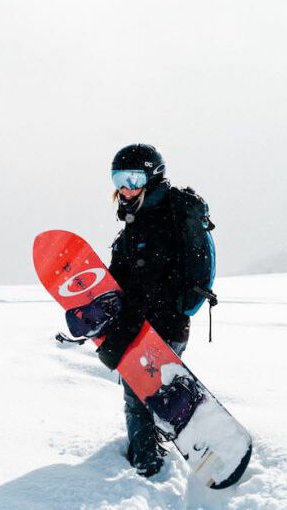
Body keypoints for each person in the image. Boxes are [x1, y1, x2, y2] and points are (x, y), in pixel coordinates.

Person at [95, 143, 201, 478]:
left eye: (133, 177)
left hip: (155, 328)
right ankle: (156, 440)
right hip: (163, 326)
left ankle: (146, 468)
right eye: (118, 178)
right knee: (151, 391)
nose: (125, 187)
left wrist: (119, 341)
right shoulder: (144, 216)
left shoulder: (154, 224)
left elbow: (146, 291)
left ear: (152, 177)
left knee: (137, 396)